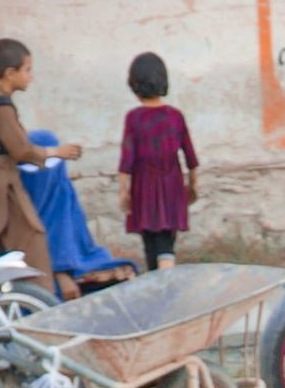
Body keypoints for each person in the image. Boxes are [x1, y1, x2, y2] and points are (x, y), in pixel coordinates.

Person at [0, 38, 77, 287]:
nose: (30, 77)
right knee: (32, 240)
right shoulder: (0, 105)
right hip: (2, 187)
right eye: (27, 70)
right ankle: (43, 310)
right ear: (10, 73)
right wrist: (56, 152)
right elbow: (21, 149)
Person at [19, 127, 137, 295]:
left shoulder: (62, 192)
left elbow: (78, 240)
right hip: (36, 273)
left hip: (75, 261)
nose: (43, 171)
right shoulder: (18, 201)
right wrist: (61, 274)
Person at [117, 52, 197, 272]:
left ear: (134, 84)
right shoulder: (175, 116)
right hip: (172, 186)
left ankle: (159, 285)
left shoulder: (133, 118)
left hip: (144, 188)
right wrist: (193, 186)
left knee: (150, 243)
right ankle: (166, 282)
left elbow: (127, 160)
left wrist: (123, 191)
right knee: (166, 242)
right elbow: (190, 157)